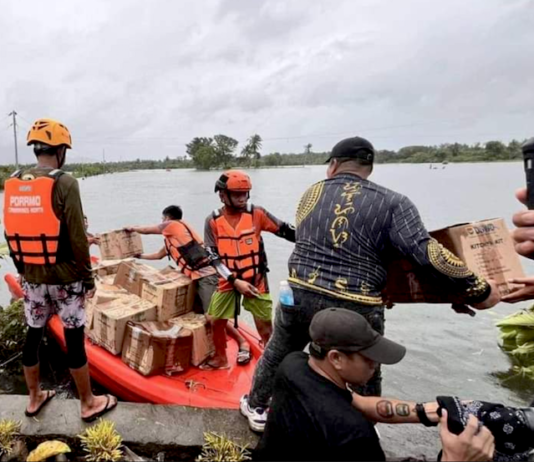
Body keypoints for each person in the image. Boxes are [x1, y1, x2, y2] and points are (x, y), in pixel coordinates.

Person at [241, 136, 500, 432]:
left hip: (299, 293)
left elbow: (307, 239)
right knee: (366, 364)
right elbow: (426, 254)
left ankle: (258, 407)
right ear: (370, 167)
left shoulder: (311, 193)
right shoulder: (393, 202)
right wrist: (477, 287)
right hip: (357, 302)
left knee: (279, 351)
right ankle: (366, 423)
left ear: (334, 165)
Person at [254, 308, 495, 461]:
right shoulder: (354, 434)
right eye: (369, 358)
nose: (377, 364)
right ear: (336, 358)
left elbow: (359, 402)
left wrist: (428, 411)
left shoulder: (294, 365)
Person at [3, 118, 117, 421]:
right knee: (74, 336)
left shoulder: (13, 181)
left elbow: (9, 230)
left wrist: (24, 270)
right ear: (61, 150)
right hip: (66, 277)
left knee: (33, 333)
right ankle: (88, 403)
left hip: (32, 276)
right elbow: (78, 237)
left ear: (36, 148)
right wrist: (87, 277)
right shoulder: (65, 182)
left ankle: (34, 397)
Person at [125, 204, 257, 365]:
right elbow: (158, 256)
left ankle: (240, 343)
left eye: (162, 219)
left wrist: (131, 228)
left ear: (167, 218)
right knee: (198, 314)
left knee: (212, 317)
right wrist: (139, 256)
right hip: (197, 279)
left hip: (207, 276)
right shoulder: (173, 239)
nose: (161, 222)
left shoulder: (173, 225)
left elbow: (146, 230)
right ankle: (205, 346)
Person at [204, 170, 295, 370]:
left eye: (245, 193)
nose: (242, 197)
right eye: (237, 194)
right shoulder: (212, 221)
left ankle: (272, 366)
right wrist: (234, 281)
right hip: (228, 280)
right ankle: (220, 358)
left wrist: (312, 236)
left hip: (256, 280)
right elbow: (213, 257)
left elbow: (286, 230)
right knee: (216, 321)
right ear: (222, 195)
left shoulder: (257, 213)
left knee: (265, 328)